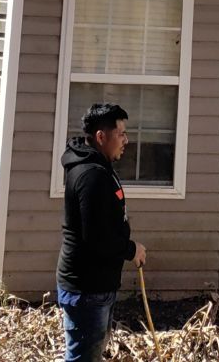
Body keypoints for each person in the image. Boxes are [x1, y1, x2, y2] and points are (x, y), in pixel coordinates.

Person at [57, 102, 148, 362]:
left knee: (89, 354)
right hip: (87, 288)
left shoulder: (97, 166)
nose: (126, 140)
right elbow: (97, 237)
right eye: (121, 134)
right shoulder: (91, 175)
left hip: (95, 285)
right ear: (101, 136)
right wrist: (131, 249)